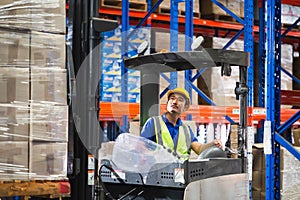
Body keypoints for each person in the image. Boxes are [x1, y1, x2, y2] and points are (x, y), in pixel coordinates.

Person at [140, 87, 223, 160]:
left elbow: (199, 149)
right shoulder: (153, 123)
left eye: (180, 100)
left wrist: (212, 144)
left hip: (181, 174)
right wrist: (155, 156)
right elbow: (141, 147)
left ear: (185, 107)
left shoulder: (186, 129)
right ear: (167, 103)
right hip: (158, 173)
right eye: (172, 98)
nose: (175, 102)